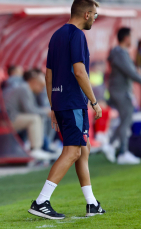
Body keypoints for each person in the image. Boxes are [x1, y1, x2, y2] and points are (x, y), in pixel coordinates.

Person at [28, 0, 106, 219]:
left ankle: (91, 203)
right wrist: (94, 101)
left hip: (62, 102)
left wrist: (54, 105)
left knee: (84, 148)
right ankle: (41, 201)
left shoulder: (57, 35)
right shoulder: (78, 35)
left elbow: (48, 75)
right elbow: (79, 72)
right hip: (74, 102)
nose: (95, 18)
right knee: (73, 151)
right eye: (96, 15)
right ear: (87, 14)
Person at [3, 70, 56, 160]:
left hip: (11, 118)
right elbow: (29, 110)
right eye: (41, 86)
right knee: (34, 119)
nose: (42, 89)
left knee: (36, 117)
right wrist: (46, 112)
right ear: (34, 82)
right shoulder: (24, 88)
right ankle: (35, 149)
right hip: (8, 120)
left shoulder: (25, 88)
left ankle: (37, 147)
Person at [108, 27, 141, 164]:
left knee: (124, 120)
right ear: (126, 38)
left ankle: (109, 145)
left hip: (122, 91)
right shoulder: (119, 53)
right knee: (126, 120)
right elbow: (131, 72)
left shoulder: (121, 53)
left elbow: (132, 69)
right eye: (131, 37)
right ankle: (122, 152)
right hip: (120, 92)